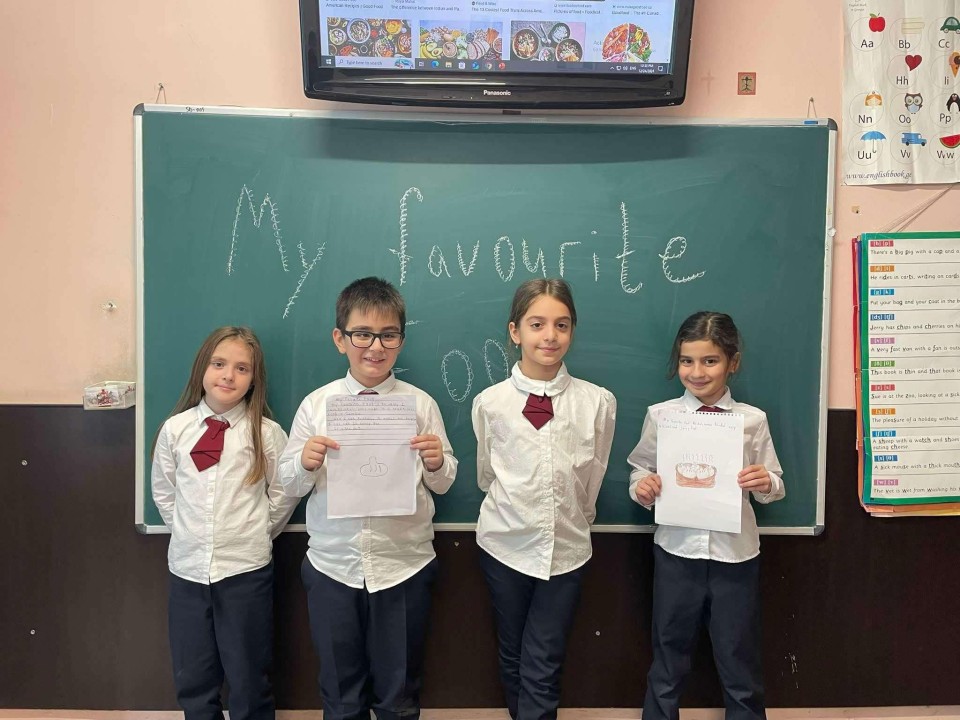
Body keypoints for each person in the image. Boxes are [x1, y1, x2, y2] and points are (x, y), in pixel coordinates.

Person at [279, 276, 457, 720]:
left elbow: (444, 483)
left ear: (401, 340)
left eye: (388, 335)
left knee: (399, 695)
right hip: (333, 566)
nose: (375, 347)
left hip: (404, 565)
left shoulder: (420, 404)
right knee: (341, 695)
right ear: (340, 339)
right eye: (362, 334)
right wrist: (304, 462)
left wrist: (438, 462)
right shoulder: (316, 405)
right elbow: (288, 483)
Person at [628, 311, 785, 720]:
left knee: (738, 656)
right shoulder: (661, 416)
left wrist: (765, 481)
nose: (696, 372)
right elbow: (641, 469)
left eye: (710, 361)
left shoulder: (752, 420)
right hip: (676, 553)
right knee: (668, 653)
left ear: (732, 362)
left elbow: (775, 483)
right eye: (687, 361)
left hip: (736, 556)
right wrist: (642, 487)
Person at [472, 278, 617, 720]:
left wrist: (570, 518)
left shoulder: (597, 402)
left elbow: (594, 474)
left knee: (544, 660)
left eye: (562, 324)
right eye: (537, 324)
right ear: (515, 331)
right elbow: (487, 475)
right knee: (513, 652)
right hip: (504, 546)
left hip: (567, 551)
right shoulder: (490, 403)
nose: (550, 336)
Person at [152, 326, 298, 720]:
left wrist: (255, 531)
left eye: (241, 368)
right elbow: (165, 493)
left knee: (249, 676)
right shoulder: (176, 430)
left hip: (245, 571)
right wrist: (191, 534)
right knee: (194, 677)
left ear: (254, 378)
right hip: (188, 571)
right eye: (218, 364)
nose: (228, 376)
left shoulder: (266, 434)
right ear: (202, 367)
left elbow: (284, 493)